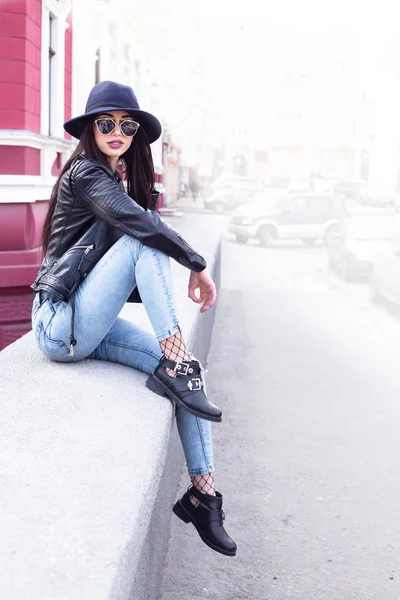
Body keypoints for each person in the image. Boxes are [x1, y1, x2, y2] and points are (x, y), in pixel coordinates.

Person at [30, 81, 236, 557]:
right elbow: (142, 230)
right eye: (106, 124)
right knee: (145, 236)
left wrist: (169, 268)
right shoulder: (84, 174)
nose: (117, 131)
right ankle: (175, 359)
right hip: (59, 326)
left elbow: (126, 279)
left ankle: (202, 495)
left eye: (128, 125)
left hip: (87, 322)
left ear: (136, 132)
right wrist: (196, 263)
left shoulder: (113, 178)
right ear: (91, 131)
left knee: (192, 376)